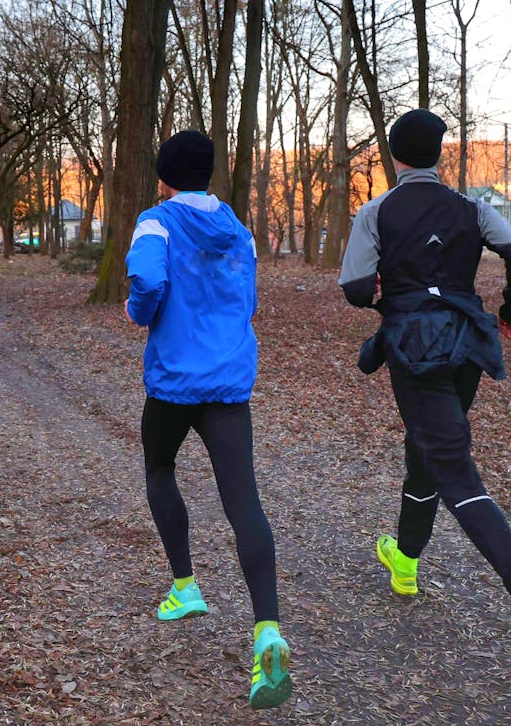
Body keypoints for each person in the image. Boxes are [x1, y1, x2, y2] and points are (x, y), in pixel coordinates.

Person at [338, 109, 511, 674]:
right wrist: (510, 312)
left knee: (448, 461)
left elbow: (351, 288)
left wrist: (384, 297)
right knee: (425, 448)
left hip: (416, 348)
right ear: (437, 155)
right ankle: (406, 559)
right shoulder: (472, 208)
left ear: (395, 155)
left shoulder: (376, 211)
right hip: (468, 343)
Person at [124, 129, 293, 710]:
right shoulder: (239, 231)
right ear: (210, 173)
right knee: (243, 500)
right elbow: (246, 302)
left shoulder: (156, 220)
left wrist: (137, 310)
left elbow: (146, 280)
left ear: (165, 177)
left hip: (174, 382)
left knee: (159, 468)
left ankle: (185, 587)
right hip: (227, 383)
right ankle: (267, 629)